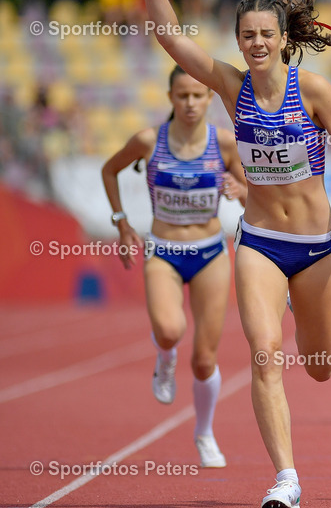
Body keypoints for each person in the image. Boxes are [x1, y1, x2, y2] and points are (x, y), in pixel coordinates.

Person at [122, 0, 331, 508]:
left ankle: (299, 304)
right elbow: (169, 36)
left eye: (265, 35)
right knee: (264, 354)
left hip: (316, 245)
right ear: (237, 42)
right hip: (260, 241)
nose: (256, 44)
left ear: (284, 40)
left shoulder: (312, 90)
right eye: (246, 36)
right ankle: (286, 477)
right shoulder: (231, 89)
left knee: (320, 366)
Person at [101, 66, 247, 468]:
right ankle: (165, 358)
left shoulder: (226, 144)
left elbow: (257, 198)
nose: (190, 104)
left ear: (209, 99)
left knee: (204, 360)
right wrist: (121, 222)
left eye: (199, 96)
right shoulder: (149, 141)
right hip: (163, 250)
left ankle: (204, 433)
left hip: (210, 254)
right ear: (170, 98)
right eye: (182, 96)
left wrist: (241, 190)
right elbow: (109, 169)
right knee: (170, 330)